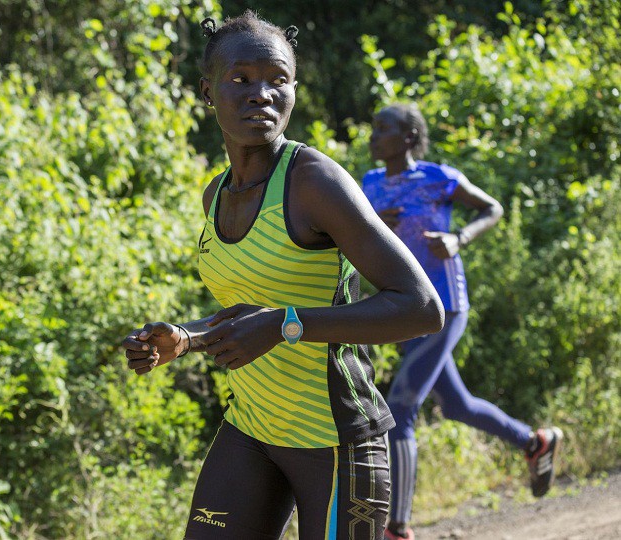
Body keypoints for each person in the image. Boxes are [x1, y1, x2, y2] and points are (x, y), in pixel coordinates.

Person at [120, 12, 445, 540]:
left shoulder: (314, 182)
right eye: (241, 79)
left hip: (337, 441)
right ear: (208, 90)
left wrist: (285, 326)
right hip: (252, 428)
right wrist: (186, 338)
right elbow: (251, 307)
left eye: (278, 79)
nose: (262, 93)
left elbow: (421, 308)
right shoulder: (215, 193)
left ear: (294, 91)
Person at [361, 103, 564, 540]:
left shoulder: (438, 178)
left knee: (400, 408)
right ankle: (535, 442)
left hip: (444, 308)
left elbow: (492, 208)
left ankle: (397, 528)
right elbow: (355, 236)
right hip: (401, 310)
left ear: (410, 137)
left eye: (384, 129)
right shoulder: (369, 184)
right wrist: (375, 221)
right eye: (373, 128)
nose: (373, 136)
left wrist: (458, 238)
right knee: (455, 405)